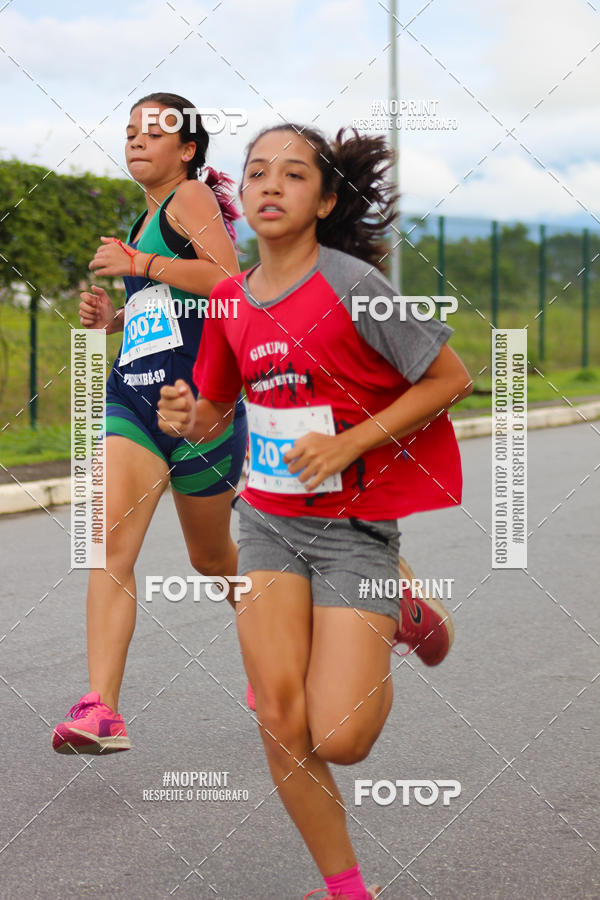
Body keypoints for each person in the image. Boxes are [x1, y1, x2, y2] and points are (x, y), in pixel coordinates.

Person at [157, 123, 472, 899]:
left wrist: (346, 444)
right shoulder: (230, 300)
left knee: (341, 735)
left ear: (326, 198)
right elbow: (221, 405)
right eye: (257, 172)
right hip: (265, 523)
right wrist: (188, 415)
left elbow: (449, 378)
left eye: (292, 175)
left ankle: (398, 603)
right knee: (279, 719)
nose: (269, 185)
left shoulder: (353, 286)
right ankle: (346, 890)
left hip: (355, 531)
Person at [51, 92, 247, 755]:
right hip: (133, 399)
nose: (136, 141)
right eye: (129, 131)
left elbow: (227, 282)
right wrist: (113, 318)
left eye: (153, 132)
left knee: (212, 557)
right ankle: (100, 710)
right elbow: (165, 311)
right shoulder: (142, 220)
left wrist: (140, 266)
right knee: (108, 544)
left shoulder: (189, 198)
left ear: (187, 149)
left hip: (200, 409)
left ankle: (278, 650)